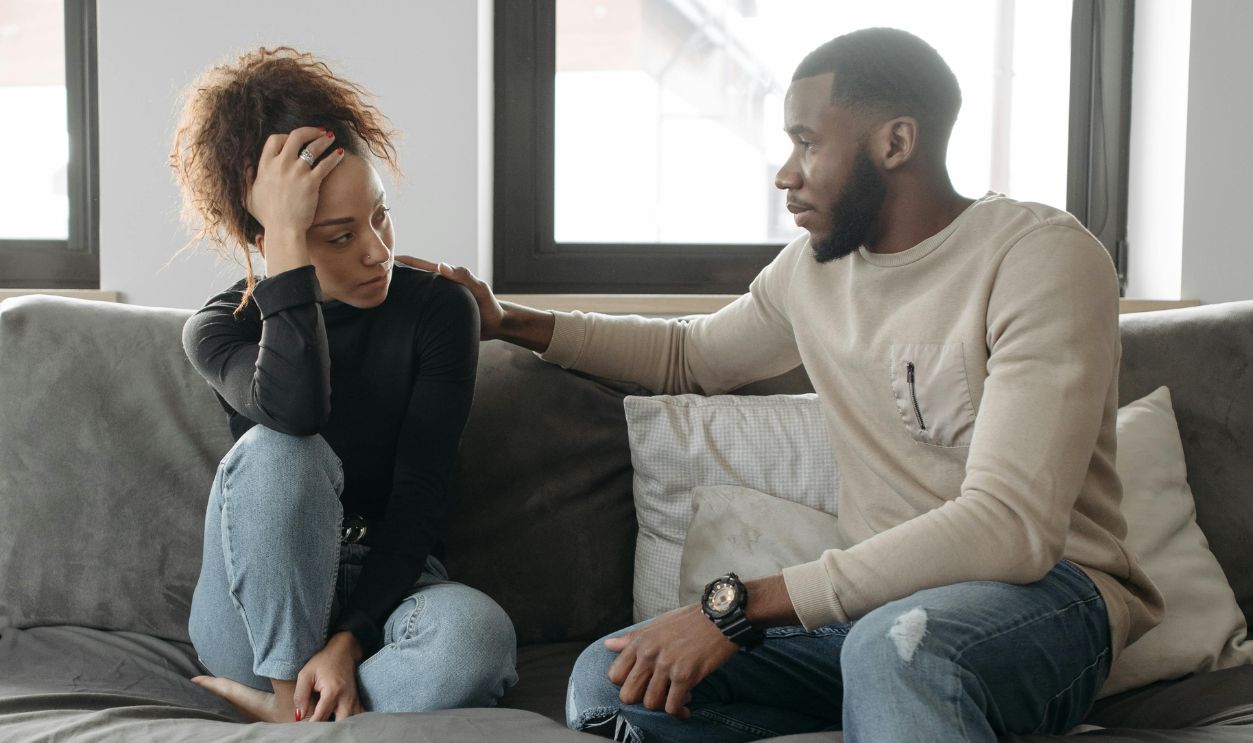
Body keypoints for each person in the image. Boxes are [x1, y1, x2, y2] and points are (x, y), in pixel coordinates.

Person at [401, 27, 1163, 742]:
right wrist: (507, 320)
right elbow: (687, 356)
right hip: (869, 616)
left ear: (895, 141)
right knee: (617, 670)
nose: (784, 172)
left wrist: (736, 608)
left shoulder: (1040, 258)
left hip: (1045, 602)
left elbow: (1008, 528)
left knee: (897, 650)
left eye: (805, 142)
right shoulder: (812, 270)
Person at [172, 46, 517, 724]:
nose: (377, 252)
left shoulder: (439, 311)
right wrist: (286, 260)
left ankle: (297, 717)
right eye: (336, 236)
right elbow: (295, 414)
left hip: (389, 595)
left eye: (380, 215)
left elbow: (421, 499)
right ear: (273, 237)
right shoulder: (221, 329)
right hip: (252, 611)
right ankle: (285, 699)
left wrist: (348, 638)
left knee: (478, 637)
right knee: (283, 449)